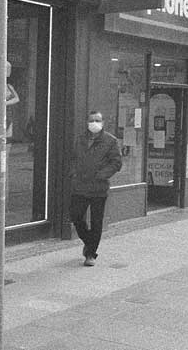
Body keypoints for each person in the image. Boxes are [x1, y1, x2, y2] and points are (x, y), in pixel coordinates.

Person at [69, 110, 122, 267]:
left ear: (103, 122)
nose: (94, 123)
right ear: (87, 123)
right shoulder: (80, 139)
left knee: (96, 222)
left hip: (99, 188)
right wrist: (73, 173)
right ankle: (88, 241)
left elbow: (116, 163)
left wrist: (101, 175)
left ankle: (91, 254)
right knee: (76, 216)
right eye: (91, 120)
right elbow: (73, 158)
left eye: (97, 120)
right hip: (80, 186)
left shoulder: (110, 141)